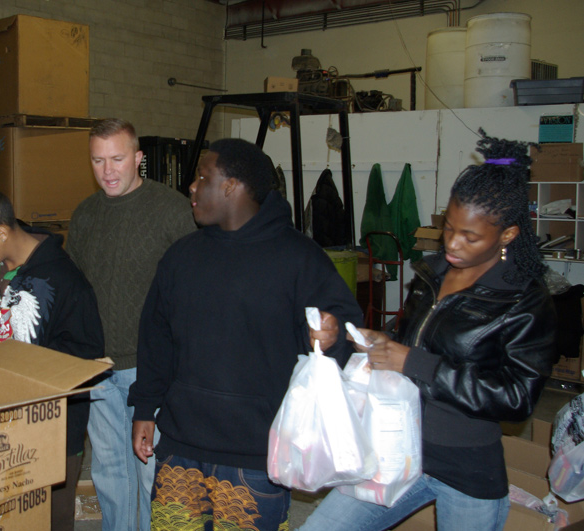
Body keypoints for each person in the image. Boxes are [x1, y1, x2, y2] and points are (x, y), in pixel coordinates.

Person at [298, 130, 557, 531]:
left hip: (467, 470)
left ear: (507, 235)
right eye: (448, 227)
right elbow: (405, 344)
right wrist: (358, 342)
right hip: (396, 449)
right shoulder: (431, 274)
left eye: (470, 236)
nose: (452, 243)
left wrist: (414, 362)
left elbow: (516, 398)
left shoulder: (523, 300)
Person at [128, 138, 364, 529]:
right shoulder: (181, 256)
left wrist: (331, 335)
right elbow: (156, 339)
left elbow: (345, 326)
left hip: (257, 456)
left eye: (203, 177)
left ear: (231, 186)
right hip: (180, 448)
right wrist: (144, 408)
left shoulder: (299, 258)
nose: (191, 186)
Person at [66, 118, 197, 531]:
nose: (107, 170)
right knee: (109, 472)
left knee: (152, 473)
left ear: (139, 158)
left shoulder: (172, 210)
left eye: (118, 159)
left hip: (153, 369)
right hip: (99, 368)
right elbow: (76, 290)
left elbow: (192, 292)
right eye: (98, 160)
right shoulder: (84, 215)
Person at [0, 186, 104, 531]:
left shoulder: (65, 281)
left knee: (45, 521)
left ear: (1, 233)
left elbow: (84, 360)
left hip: (48, 436)